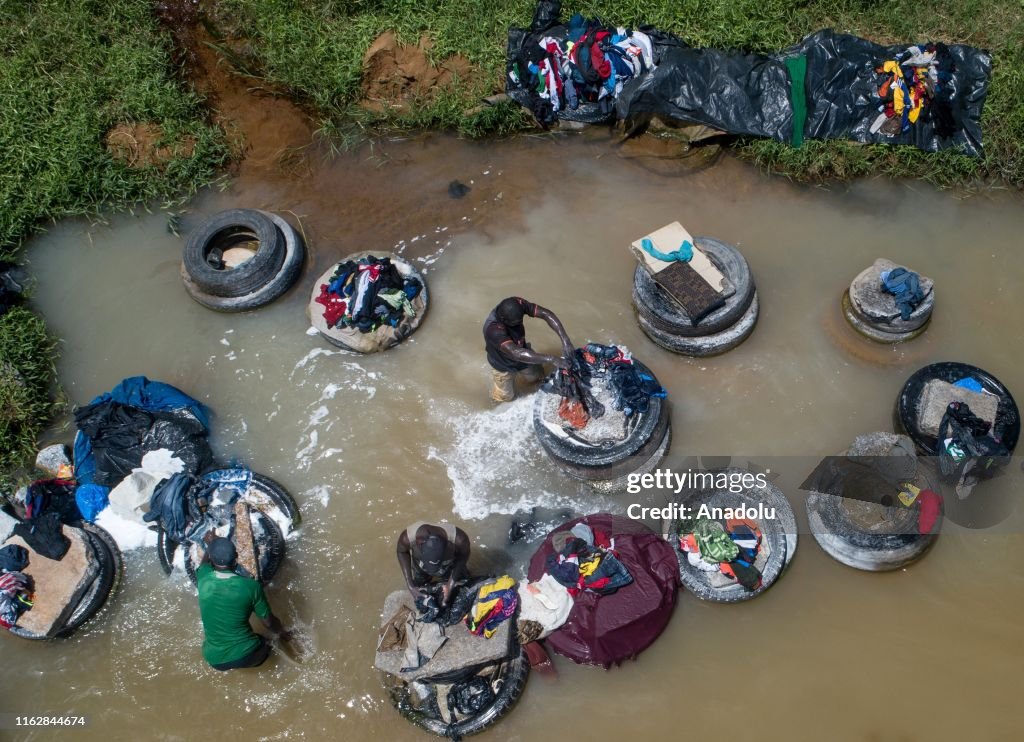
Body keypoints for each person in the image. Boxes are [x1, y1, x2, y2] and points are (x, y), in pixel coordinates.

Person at [196, 536, 290, 671]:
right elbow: (268, 623)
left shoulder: (203, 577)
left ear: (211, 559)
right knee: (269, 642)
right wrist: (282, 633)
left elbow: (203, 564)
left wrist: (210, 545)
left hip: (214, 660)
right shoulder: (251, 586)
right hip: (247, 654)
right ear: (236, 557)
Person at [483, 297, 574, 403]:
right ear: (504, 320)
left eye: (520, 321)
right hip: (503, 365)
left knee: (538, 378)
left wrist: (565, 340)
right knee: (505, 398)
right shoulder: (493, 330)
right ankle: (496, 403)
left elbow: (546, 314)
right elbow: (516, 353)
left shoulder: (517, 304)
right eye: (514, 323)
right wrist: (551, 358)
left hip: (524, 354)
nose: (518, 324)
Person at [396, 522, 471, 613]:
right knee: (419, 588)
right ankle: (423, 578)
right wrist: (410, 585)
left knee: (464, 584)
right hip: (420, 565)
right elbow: (401, 552)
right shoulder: (406, 538)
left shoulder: (460, 539)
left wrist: (450, 584)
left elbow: (464, 555)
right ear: (419, 543)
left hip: (448, 563)